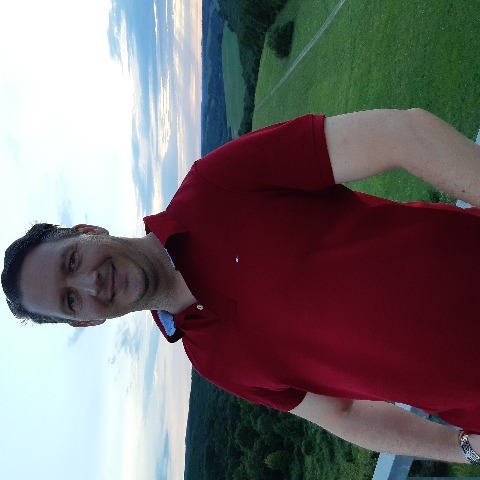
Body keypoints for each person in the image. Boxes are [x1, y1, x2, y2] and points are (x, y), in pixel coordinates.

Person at [3, 108, 480, 465]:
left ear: (88, 232)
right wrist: (463, 449)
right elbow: (343, 415)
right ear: (85, 322)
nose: (89, 283)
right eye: (71, 300)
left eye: (72, 261)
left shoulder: (216, 185)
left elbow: (399, 134)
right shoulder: (212, 361)